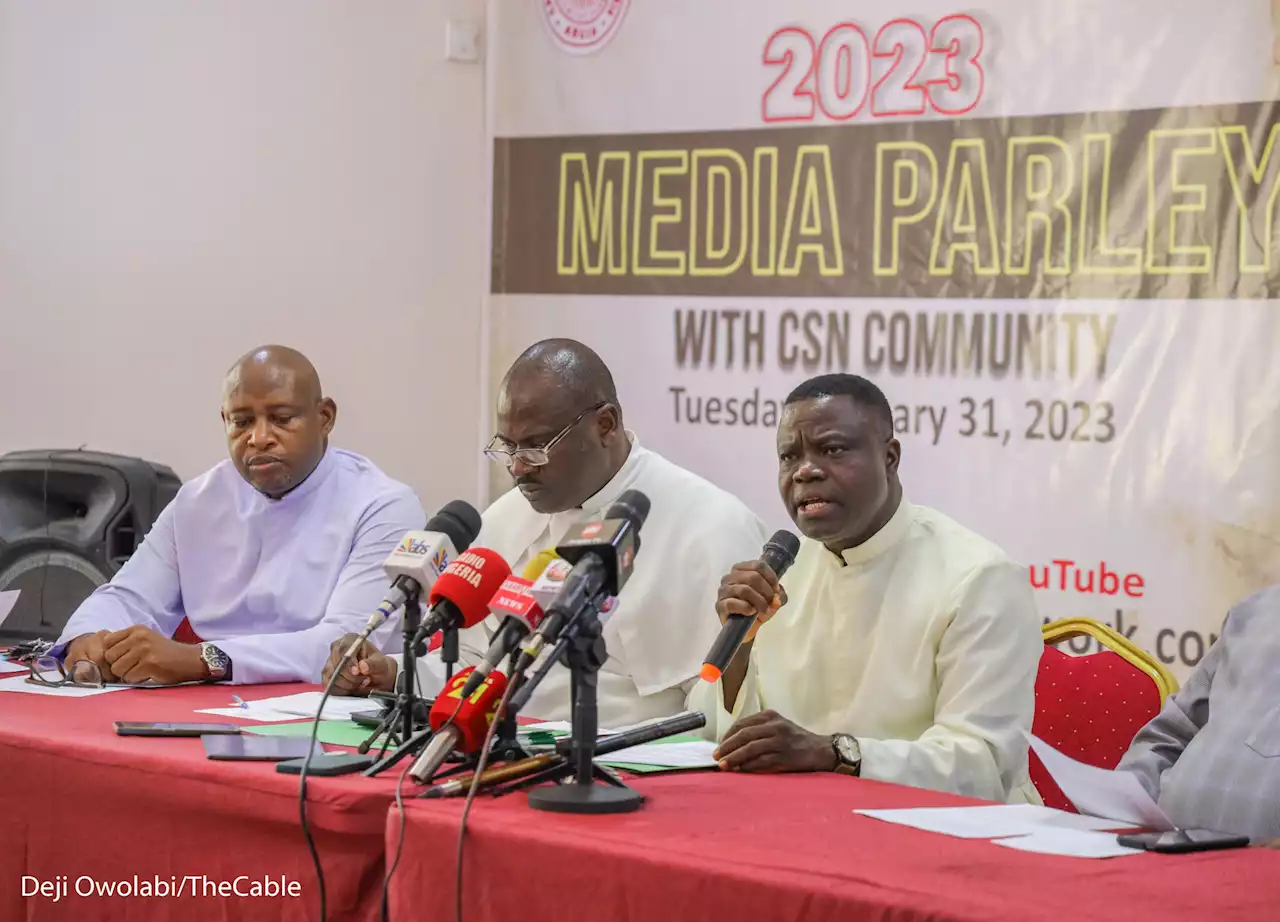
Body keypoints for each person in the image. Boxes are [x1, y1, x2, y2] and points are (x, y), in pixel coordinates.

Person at [324, 338, 770, 726]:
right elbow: (477, 663)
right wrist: (393, 673)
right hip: (499, 752)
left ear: (606, 425)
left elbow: (719, 708)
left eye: (536, 447)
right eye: (508, 447)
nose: (518, 468)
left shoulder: (711, 526)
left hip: (634, 770)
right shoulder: (508, 516)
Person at [692, 373, 1042, 803]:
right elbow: (708, 733)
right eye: (789, 456)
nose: (805, 471)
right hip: (800, 819)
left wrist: (836, 754)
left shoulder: (980, 577)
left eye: (832, 449)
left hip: (945, 834)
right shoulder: (782, 573)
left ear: (890, 457)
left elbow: (983, 766)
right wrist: (740, 648)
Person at [53, 345, 424, 685]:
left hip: (330, 711)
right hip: (208, 701)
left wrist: (203, 660)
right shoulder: (198, 500)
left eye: (281, 418)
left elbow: (345, 646)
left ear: (324, 417)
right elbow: (129, 596)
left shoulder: (382, 505)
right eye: (242, 422)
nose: (259, 438)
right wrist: (88, 638)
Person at [1117, 585, 1280, 843]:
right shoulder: (1252, 612)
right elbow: (1170, 733)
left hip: (1261, 875)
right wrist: (1119, 807)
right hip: (1160, 854)